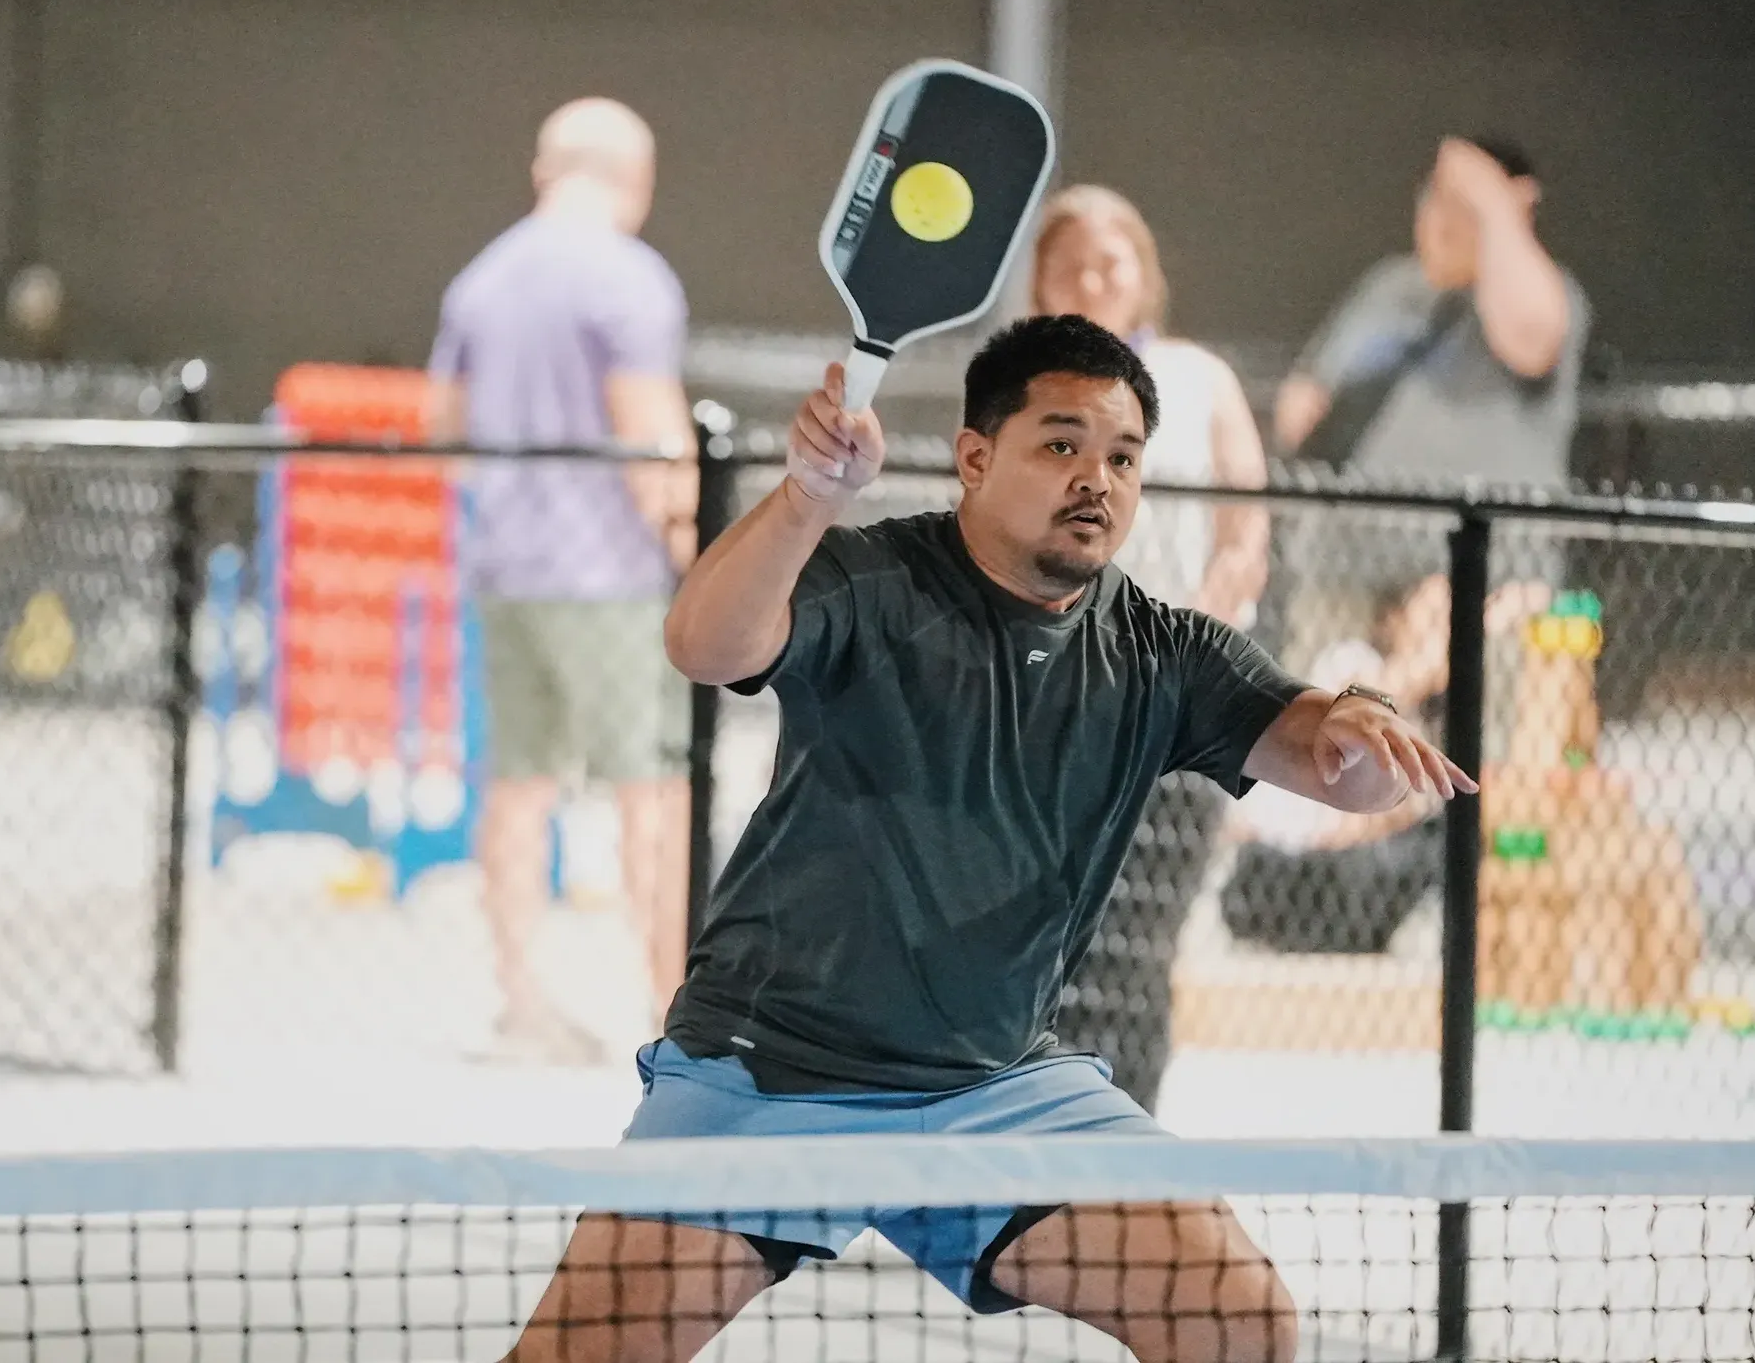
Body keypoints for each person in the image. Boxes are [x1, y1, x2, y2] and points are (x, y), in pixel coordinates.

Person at [503, 316, 1472, 1363]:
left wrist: (1363, 715)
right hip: (770, 1077)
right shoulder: (869, 579)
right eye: (1059, 444)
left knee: (1238, 1320)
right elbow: (703, 641)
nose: (1094, 478)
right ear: (975, 457)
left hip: (993, 1093)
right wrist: (804, 500)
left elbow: (1335, 761)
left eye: (1121, 455)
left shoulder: (1162, 652)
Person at [428, 97, 696, 1064]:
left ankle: (522, 1003)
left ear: (546, 171)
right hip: (613, 576)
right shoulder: (631, 281)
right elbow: (650, 434)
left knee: (518, 785)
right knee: (657, 791)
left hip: (507, 567)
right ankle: (674, 1013)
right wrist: (694, 554)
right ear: (638, 179)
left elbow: (444, 431)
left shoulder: (482, 280)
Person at [1030, 186, 1271, 1111]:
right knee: (1051, 941)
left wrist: (1180, 654)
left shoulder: (1201, 380)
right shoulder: (1020, 394)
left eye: (1112, 259)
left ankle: (1123, 1143)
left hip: (1176, 708)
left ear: (1145, 272)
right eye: (1072, 262)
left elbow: (1245, 534)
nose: (1094, 277)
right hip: (1053, 702)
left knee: (1142, 939)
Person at [1270, 135, 1589, 691]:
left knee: (1472, 760)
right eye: (1434, 197)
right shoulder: (1386, 288)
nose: (1441, 217)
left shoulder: (1548, 291)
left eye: (1462, 204)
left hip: (1485, 583)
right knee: (1314, 739)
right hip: (1344, 573)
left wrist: (1493, 204)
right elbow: (1303, 406)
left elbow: (1532, 335)